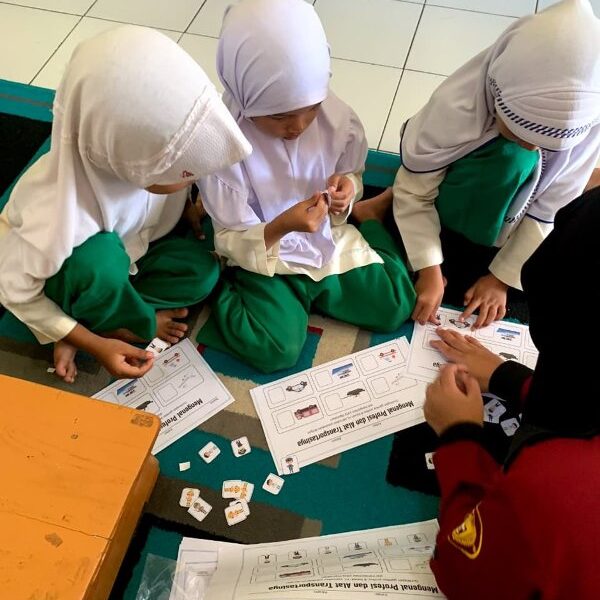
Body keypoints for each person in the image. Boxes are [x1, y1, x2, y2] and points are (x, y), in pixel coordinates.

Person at [0, 26, 251, 383]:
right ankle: (104, 327)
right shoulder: (56, 214)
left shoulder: (133, 155)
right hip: (78, 269)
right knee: (99, 263)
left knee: (201, 271)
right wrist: (89, 342)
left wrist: (186, 204)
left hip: (132, 251)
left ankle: (105, 316)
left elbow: (166, 187)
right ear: (133, 163)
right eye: (185, 172)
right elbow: (14, 291)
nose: (194, 179)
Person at [196, 0, 415, 373]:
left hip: (326, 238)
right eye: (280, 116)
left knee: (396, 303)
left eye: (311, 108)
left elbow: (352, 172)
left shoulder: (337, 119)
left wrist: (348, 190)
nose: (298, 126)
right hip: (262, 253)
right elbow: (231, 234)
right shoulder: (222, 144)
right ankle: (220, 282)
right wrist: (283, 225)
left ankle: (368, 219)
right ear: (245, 98)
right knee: (275, 348)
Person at [367, 0, 600, 330]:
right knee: (510, 161)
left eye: (547, 144)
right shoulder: (454, 108)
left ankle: (393, 201)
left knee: (548, 272)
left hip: (499, 211)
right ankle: (392, 203)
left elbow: (550, 208)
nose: (531, 147)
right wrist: (429, 267)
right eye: (518, 131)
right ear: (496, 94)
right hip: (457, 189)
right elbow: (418, 189)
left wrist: (500, 279)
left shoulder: (586, 126)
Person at [423, 186, 600, 599]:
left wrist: (458, 437)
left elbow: (461, 571)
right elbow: (580, 399)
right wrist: (508, 378)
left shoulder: (549, 486)